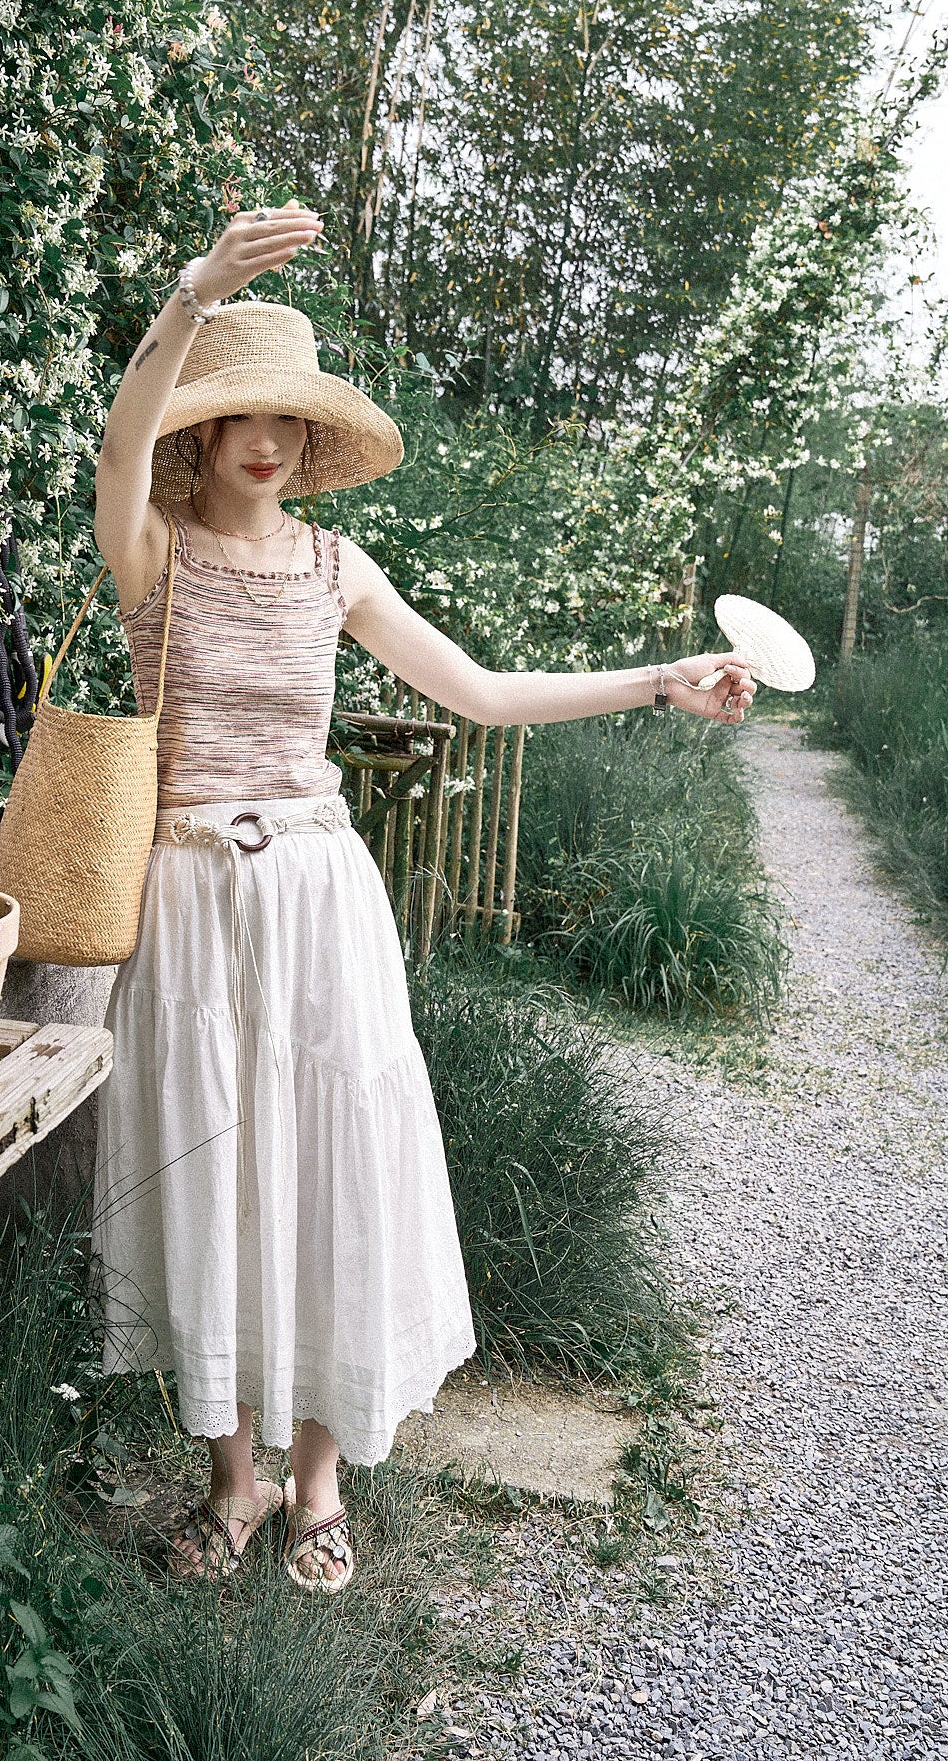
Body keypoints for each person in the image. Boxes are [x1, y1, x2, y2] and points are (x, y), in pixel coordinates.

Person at [90, 203, 754, 1590]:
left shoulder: (337, 568)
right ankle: (231, 1486)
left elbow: (485, 693)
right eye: (237, 418)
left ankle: (319, 1487)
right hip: (194, 897)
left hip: (323, 895)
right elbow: (114, 434)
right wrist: (192, 290)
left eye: (286, 422)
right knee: (209, 1171)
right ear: (202, 433)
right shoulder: (150, 548)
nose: (263, 442)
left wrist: (660, 678)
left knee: (336, 1168)